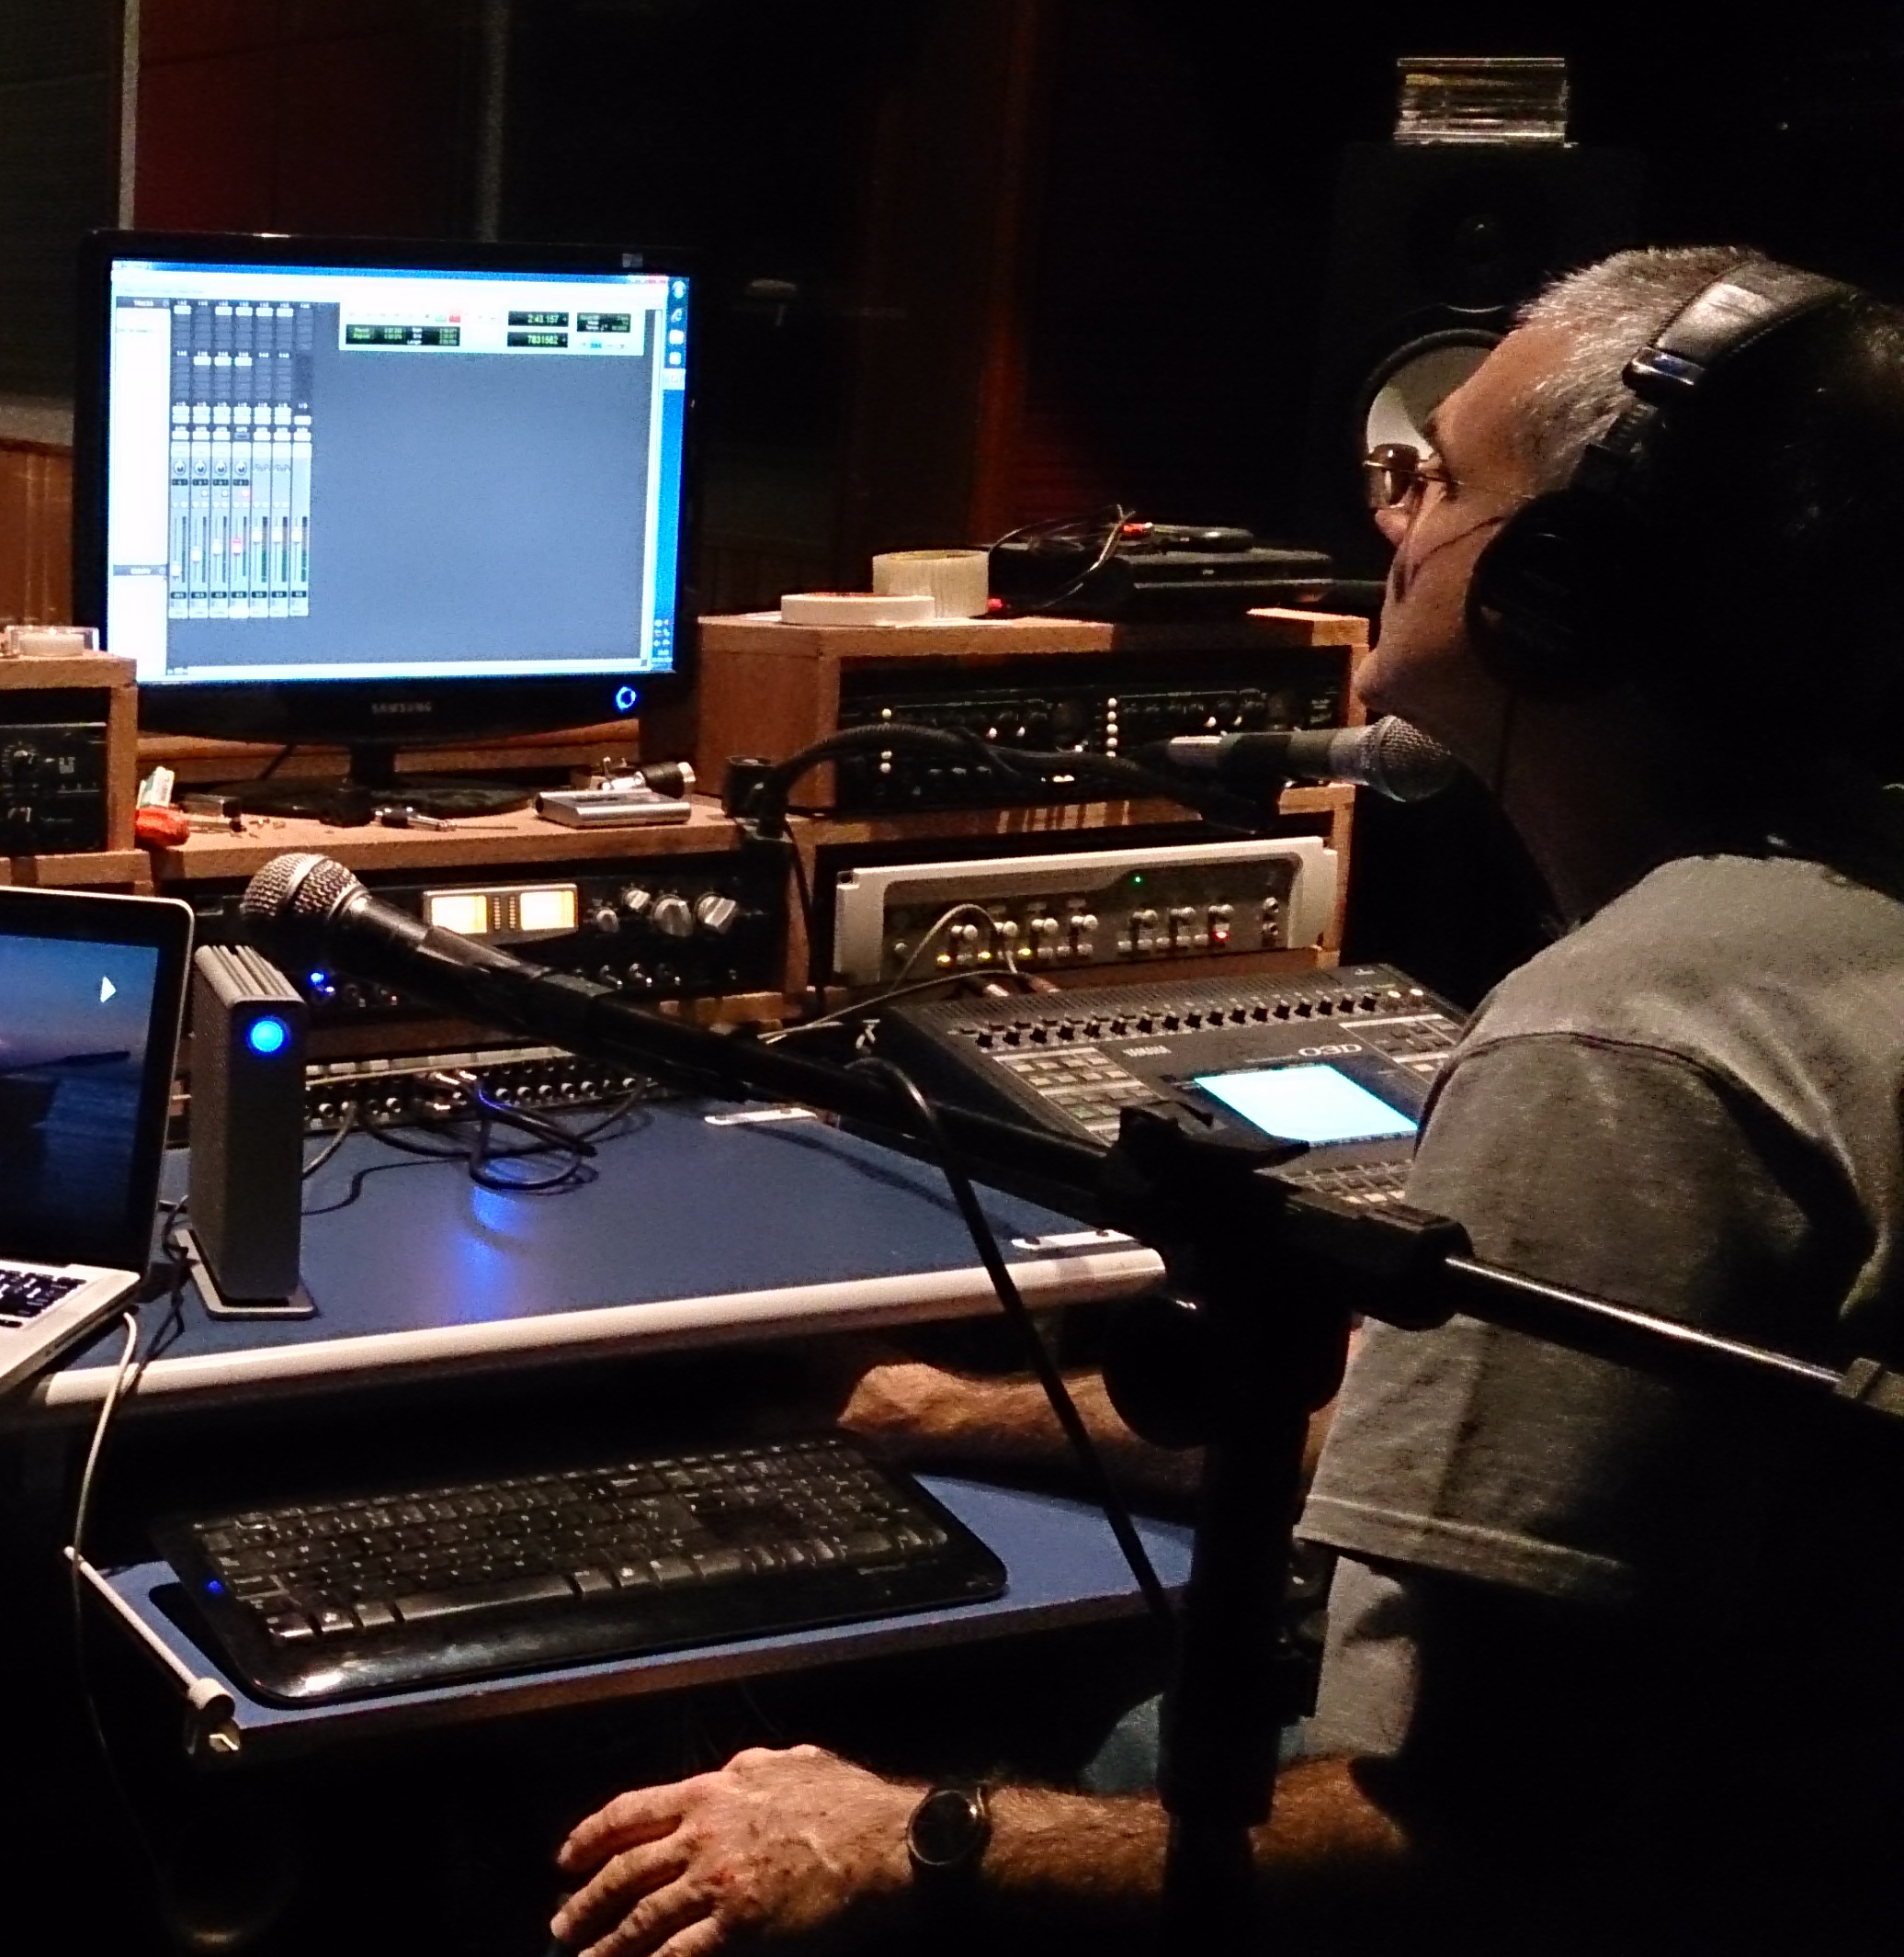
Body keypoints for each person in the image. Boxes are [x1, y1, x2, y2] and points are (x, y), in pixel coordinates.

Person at [549, 246, 1904, 1954]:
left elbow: (1473, 1854)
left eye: (1434, 482)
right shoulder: (1831, 926)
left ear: (1557, 587)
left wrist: (906, 1839)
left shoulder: (1622, 1050)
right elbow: (1470, 1449)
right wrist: (949, 1413)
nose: (1390, 525)